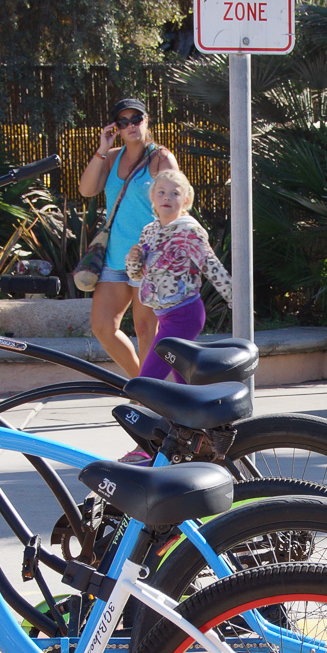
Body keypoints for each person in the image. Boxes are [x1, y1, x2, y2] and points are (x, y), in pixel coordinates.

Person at [121, 170, 230, 462]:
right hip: (165, 316)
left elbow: (211, 266)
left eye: (175, 193)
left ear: (186, 199)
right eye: (161, 192)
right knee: (183, 388)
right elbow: (138, 275)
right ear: (152, 199)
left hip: (184, 315)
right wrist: (132, 261)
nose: (167, 198)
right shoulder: (149, 230)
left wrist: (237, 299)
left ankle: (144, 446)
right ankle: (202, 443)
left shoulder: (188, 231)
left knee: (147, 383)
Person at [77, 97, 179, 377]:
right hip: (114, 256)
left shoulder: (160, 158)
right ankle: (142, 385)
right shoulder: (111, 157)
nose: (131, 125)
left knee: (146, 330)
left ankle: (149, 391)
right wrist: (102, 148)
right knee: (103, 327)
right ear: (116, 127)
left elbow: (178, 203)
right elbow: (86, 190)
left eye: (136, 119)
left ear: (147, 120)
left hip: (149, 256)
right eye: (123, 122)